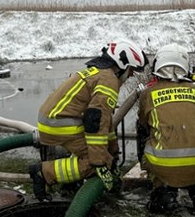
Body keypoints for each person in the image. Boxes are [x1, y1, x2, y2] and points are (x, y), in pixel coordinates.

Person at [29, 39, 147, 200]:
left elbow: (106, 123)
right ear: (122, 65)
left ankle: (70, 183)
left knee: (102, 156)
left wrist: (113, 151)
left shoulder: (99, 73)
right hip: (61, 124)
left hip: (56, 120)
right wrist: (101, 162)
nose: (132, 75)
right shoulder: (109, 80)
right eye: (132, 70)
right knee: (94, 163)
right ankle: (43, 173)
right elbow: (96, 123)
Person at [135, 43, 195, 216]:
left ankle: (164, 196)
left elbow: (143, 124)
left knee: (149, 137)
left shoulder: (148, 94)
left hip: (162, 165)